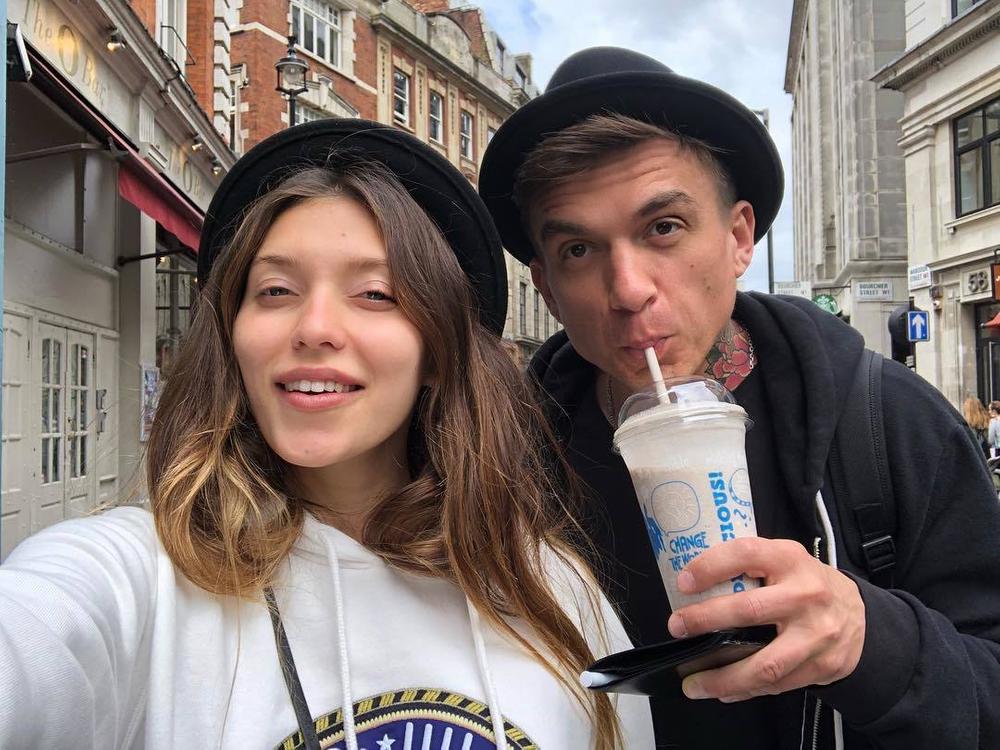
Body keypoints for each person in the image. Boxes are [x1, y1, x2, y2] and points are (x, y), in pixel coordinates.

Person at [0, 120, 654, 749]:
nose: (313, 327)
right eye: (275, 290)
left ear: (438, 351)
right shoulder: (139, 577)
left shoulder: (549, 590)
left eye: (375, 294)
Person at [478, 46, 1000, 749]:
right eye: (578, 250)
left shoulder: (887, 424)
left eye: (663, 228)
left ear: (738, 237)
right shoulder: (498, 468)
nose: (628, 289)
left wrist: (872, 642)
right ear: (545, 286)